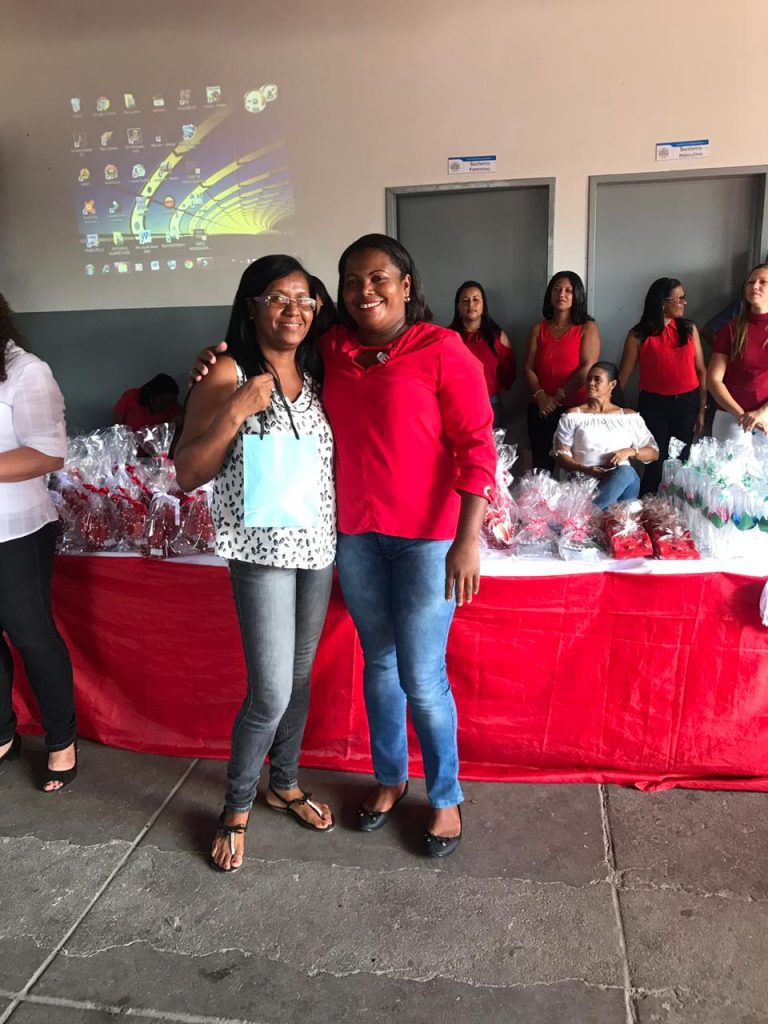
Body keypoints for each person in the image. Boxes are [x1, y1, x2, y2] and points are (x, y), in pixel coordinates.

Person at [192, 236, 496, 859]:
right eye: (352, 281)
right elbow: (272, 338)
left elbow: (477, 445)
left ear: (407, 285)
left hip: (427, 540)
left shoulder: (443, 348)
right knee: (378, 664)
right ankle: (390, 778)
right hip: (353, 536)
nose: (366, 291)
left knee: (422, 676)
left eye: (379, 278)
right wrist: (215, 362)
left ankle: (445, 795)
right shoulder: (332, 349)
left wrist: (468, 539)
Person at [175, 255, 337, 873]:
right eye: (278, 297)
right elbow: (188, 471)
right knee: (269, 692)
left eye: (304, 298)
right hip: (261, 553)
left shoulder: (318, 370)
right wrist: (236, 408)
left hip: (317, 549)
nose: (293, 309)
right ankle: (236, 806)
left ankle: (284, 782)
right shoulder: (228, 370)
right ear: (252, 306)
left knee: (298, 680)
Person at [0, 292, 78, 791]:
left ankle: (61, 739)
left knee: (31, 635)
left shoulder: (25, 371)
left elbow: (49, 454)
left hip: (17, 530)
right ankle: (2, 733)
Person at [618, 278, 707, 495]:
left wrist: (702, 408)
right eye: (680, 298)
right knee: (655, 464)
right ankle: (648, 509)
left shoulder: (689, 329)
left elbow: (701, 370)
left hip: (687, 403)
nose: (684, 302)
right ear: (662, 303)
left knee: (681, 462)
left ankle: (677, 510)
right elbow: (623, 378)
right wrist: (613, 412)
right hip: (654, 406)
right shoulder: (638, 335)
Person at [554, 361, 659, 510]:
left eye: (597, 379)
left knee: (626, 472)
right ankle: (596, 513)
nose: (591, 383)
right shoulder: (573, 416)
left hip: (622, 484)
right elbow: (560, 455)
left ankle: (585, 515)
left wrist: (630, 451)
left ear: (612, 384)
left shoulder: (629, 417)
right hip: (585, 484)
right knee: (616, 493)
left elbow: (654, 453)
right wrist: (585, 469)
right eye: (589, 379)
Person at [523, 272, 600, 471]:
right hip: (541, 408)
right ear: (550, 295)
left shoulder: (587, 328)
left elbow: (587, 367)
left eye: (568, 290)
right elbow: (528, 368)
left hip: (575, 408)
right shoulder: (537, 329)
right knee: (541, 467)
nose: (561, 294)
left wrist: (558, 396)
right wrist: (541, 397)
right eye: (556, 289)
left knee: (578, 468)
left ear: (577, 296)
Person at [707, 263, 768, 445]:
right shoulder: (731, 329)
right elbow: (713, 380)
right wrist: (742, 416)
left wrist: (761, 413)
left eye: (763, 282)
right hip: (731, 417)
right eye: (750, 282)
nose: (754, 286)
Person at [448, 280, 515, 427]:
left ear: (483, 305)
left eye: (476, 300)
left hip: (489, 403)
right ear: (458, 306)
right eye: (465, 300)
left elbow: (508, 373)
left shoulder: (498, 336)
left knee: (489, 442)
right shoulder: (447, 337)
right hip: (455, 403)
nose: (471, 304)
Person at [114, 373, 183, 432]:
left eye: (172, 402)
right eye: (164, 402)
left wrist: (174, 426)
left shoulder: (175, 410)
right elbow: (117, 425)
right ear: (152, 396)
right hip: (128, 441)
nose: (168, 406)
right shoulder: (132, 396)